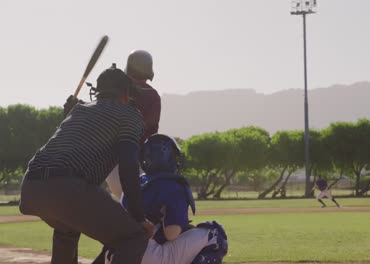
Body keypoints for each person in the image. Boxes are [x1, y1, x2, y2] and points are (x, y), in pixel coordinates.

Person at [19, 64, 154, 264]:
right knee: (133, 237)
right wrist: (138, 217)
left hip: (30, 188)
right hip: (68, 187)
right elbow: (128, 166)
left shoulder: (79, 111)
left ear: (97, 92)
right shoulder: (129, 114)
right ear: (126, 94)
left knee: (67, 228)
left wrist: (70, 114)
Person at [95, 134, 228, 264]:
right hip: (147, 255)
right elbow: (171, 234)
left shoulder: (133, 182)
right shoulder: (173, 185)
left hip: (116, 255)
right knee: (216, 234)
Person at [105, 49, 162, 201]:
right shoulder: (153, 95)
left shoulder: (115, 92)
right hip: (136, 164)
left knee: (125, 210)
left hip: (111, 167)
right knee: (148, 211)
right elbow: (151, 135)